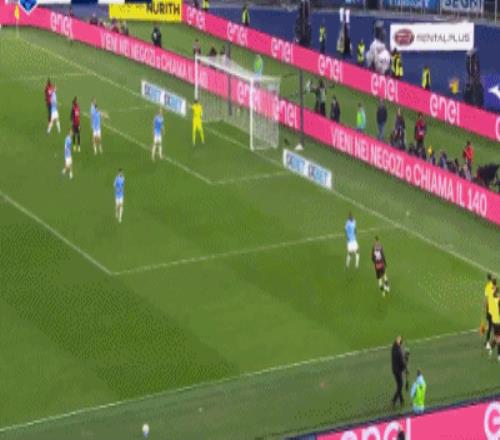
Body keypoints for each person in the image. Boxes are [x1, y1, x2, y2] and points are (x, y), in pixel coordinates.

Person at [391, 336, 406, 408]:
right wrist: (405, 367)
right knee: (400, 385)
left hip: (394, 370)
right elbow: (402, 362)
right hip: (398, 371)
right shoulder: (399, 351)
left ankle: (402, 400)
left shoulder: (393, 348)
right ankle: (394, 400)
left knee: (399, 385)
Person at [487, 281, 500, 361]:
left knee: (496, 338)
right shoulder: (498, 300)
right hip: (498, 322)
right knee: (499, 339)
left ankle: (491, 348)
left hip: (494, 322)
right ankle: (499, 356)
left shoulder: (492, 301)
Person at [485, 274, 495, 350]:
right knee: (494, 325)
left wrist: (485, 308)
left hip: (489, 309)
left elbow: (486, 299)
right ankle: (490, 342)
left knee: (490, 326)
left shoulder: (487, 287)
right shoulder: (494, 286)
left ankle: (488, 342)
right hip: (494, 309)